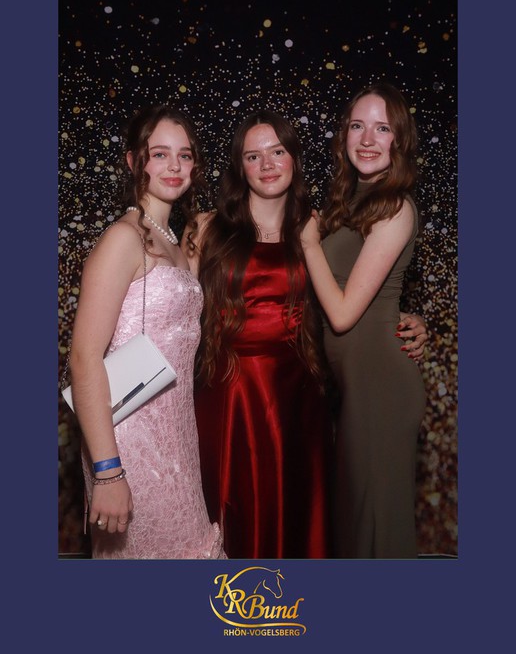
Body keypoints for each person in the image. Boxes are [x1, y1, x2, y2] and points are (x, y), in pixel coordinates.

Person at [182, 109, 427, 559]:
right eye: (253, 156)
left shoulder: (318, 228)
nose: (267, 164)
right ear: (239, 167)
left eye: (277, 151)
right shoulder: (205, 228)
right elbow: (173, 312)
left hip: (297, 400)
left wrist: (407, 317)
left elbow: (350, 290)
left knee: (299, 520)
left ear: (294, 158)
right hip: (228, 397)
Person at [67, 104, 225, 559]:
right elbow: (83, 357)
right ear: (134, 161)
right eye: (160, 154)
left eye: (185, 155)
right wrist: (108, 471)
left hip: (176, 435)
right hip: (129, 441)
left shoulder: (174, 242)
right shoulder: (123, 238)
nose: (174, 166)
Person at [301, 83, 427, 559]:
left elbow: (341, 313)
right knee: (357, 530)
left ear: (400, 140)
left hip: (382, 388)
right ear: (344, 135)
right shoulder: (349, 202)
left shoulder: (395, 206)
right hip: (355, 387)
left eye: (382, 128)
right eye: (358, 126)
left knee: (376, 532)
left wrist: (308, 243)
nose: (368, 139)